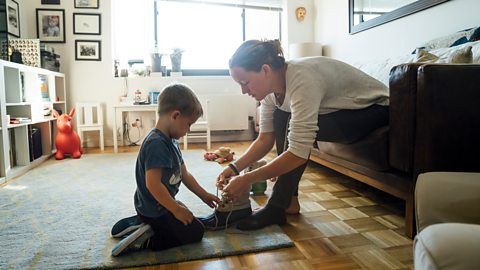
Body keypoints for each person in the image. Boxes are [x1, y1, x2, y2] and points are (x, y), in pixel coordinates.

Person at [218, 39, 389, 230]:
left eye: (245, 82)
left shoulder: (302, 78)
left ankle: (277, 206)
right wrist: (234, 168)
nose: (243, 91)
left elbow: (298, 152)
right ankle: (289, 201)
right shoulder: (268, 92)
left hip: (374, 110)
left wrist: (247, 179)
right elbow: (265, 139)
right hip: (341, 112)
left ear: (265, 70)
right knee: (282, 116)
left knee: (291, 121)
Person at [111, 83, 221, 256]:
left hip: (156, 205)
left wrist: (204, 195)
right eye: (189, 124)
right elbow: (153, 184)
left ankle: (141, 222)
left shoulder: (171, 141)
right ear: (176, 115)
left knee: (188, 217)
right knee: (195, 232)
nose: (188, 130)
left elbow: (185, 175)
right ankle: (146, 239)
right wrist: (175, 209)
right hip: (154, 210)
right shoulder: (156, 144)